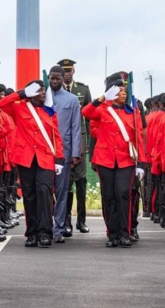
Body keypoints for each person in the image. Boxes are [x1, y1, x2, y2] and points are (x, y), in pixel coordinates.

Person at [0, 81, 64, 247]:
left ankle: (45, 232)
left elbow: (56, 136)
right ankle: (32, 233)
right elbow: (1, 104)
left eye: (43, 90)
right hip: (26, 157)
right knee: (29, 195)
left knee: (44, 192)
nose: (43, 93)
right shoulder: (20, 107)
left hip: (45, 157)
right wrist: (22, 93)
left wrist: (59, 159)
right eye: (39, 90)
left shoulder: (50, 111)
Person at [82, 77, 146, 247]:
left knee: (123, 194)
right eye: (120, 91)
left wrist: (141, 163)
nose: (123, 94)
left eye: (125, 91)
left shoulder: (133, 112)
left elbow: (138, 137)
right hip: (105, 160)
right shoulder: (103, 109)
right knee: (109, 196)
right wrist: (102, 98)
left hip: (126, 160)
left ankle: (125, 233)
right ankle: (113, 234)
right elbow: (86, 112)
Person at [47, 66, 82, 243]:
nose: (54, 82)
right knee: (45, 192)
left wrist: (76, 152)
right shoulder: (40, 97)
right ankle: (45, 227)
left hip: (64, 153)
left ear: (63, 79)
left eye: (57, 79)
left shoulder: (72, 99)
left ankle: (59, 228)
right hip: (44, 153)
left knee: (62, 192)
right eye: (52, 79)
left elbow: (76, 127)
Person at [58, 58, 92, 235]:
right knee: (66, 184)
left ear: (73, 72)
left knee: (81, 182)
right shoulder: (56, 92)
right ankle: (66, 221)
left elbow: (89, 118)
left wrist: (87, 145)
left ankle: (81, 221)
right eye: (64, 71)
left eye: (69, 71)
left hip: (80, 142)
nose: (67, 74)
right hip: (63, 143)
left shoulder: (83, 90)